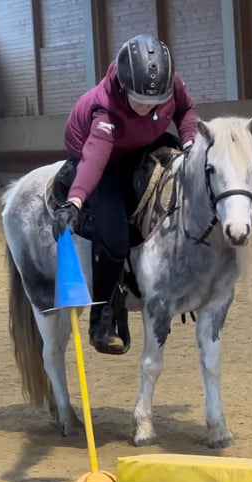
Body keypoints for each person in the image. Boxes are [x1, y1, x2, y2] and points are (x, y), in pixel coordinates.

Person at [52, 33, 199, 354]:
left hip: (139, 144)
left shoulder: (169, 85)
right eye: (140, 101)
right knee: (115, 235)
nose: (148, 107)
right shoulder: (105, 110)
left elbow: (186, 111)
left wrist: (190, 143)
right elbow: (93, 159)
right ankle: (103, 314)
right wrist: (75, 200)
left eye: (155, 102)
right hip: (97, 154)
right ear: (123, 87)